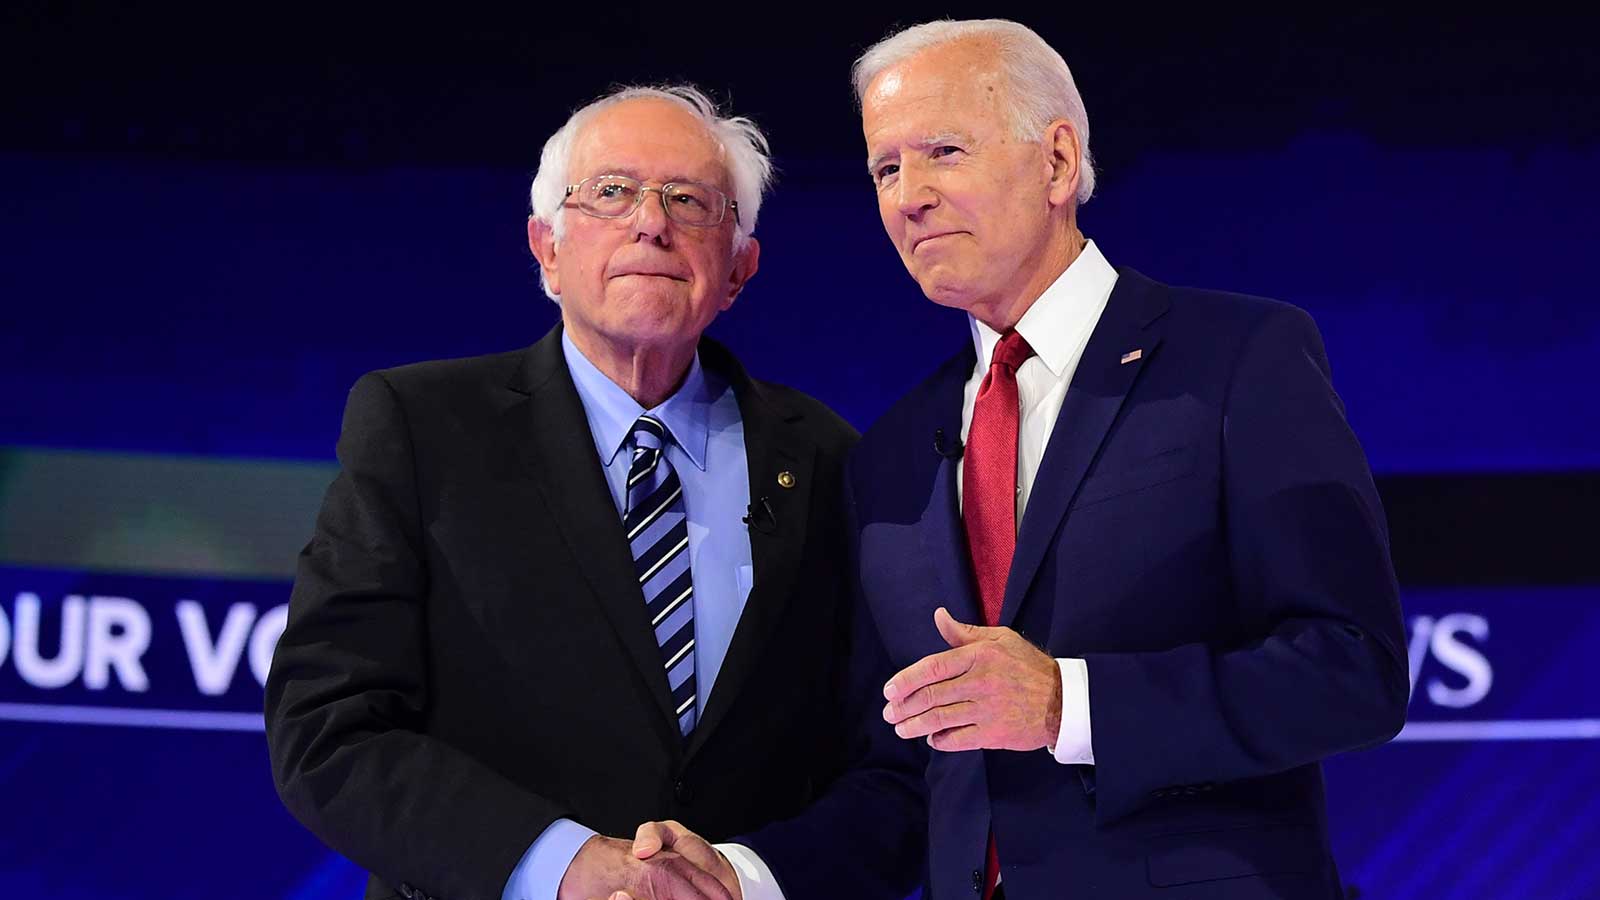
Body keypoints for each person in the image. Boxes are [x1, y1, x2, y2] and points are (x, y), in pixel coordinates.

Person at [632, 19, 1409, 900]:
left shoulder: (1237, 360)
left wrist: (1068, 704)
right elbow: (901, 771)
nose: (909, 196)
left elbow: (1353, 670)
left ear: (1057, 161)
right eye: (886, 169)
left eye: (944, 152)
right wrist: (745, 875)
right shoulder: (888, 457)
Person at [263, 85, 910, 900]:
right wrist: (562, 864)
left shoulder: (826, 457)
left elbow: (888, 773)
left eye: (689, 199)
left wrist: (742, 880)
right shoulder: (423, 430)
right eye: (611, 192)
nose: (651, 221)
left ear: (740, 268)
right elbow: (328, 729)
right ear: (548, 248)